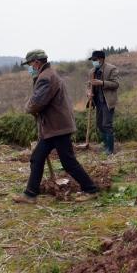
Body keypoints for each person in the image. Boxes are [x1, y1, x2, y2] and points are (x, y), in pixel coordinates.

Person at [13, 49, 99, 204]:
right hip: (55, 127)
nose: (29, 68)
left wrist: (28, 108)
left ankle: (91, 189)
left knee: (67, 162)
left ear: (37, 63)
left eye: (29, 64)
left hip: (57, 127)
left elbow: (37, 102)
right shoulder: (49, 74)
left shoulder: (46, 78)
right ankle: (30, 194)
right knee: (37, 158)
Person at [87, 50, 119, 155]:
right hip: (98, 102)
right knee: (100, 124)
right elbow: (88, 85)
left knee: (106, 124)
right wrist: (88, 93)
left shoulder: (111, 69)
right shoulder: (92, 71)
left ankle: (110, 149)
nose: (93, 62)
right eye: (92, 60)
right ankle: (105, 145)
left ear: (101, 59)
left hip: (107, 101)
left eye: (95, 60)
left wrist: (102, 83)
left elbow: (116, 84)